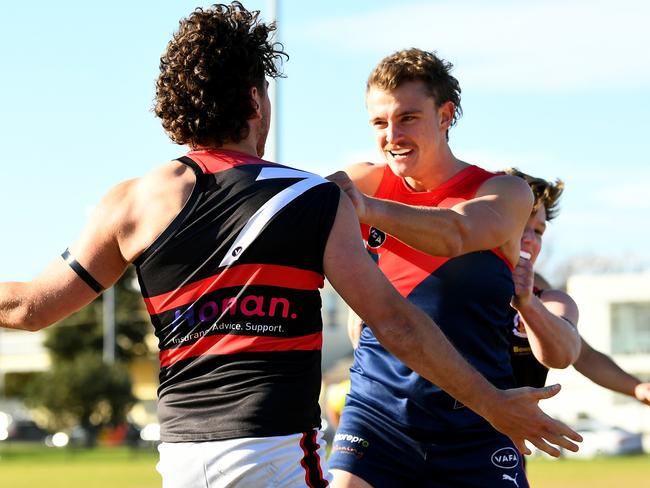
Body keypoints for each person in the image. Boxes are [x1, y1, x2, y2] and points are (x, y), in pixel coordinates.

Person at [0, 4, 580, 487]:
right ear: (257, 102)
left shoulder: (129, 201)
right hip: (276, 455)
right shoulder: (310, 197)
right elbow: (395, 325)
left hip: (179, 459)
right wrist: (492, 402)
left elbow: (28, 307)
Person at [327, 48, 573, 488]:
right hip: (377, 415)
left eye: (407, 118)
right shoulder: (363, 179)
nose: (392, 136)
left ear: (445, 115)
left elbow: (456, 233)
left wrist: (366, 209)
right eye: (379, 123)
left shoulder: (503, 191)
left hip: (478, 419)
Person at [506, 168, 650, 405]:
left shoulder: (542, 293)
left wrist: (638, 388)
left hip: (503, 439)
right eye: (522, 224)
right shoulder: (450, 281)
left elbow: (581, 355)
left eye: (539, 231)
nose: (530, 239)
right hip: (440, 436)